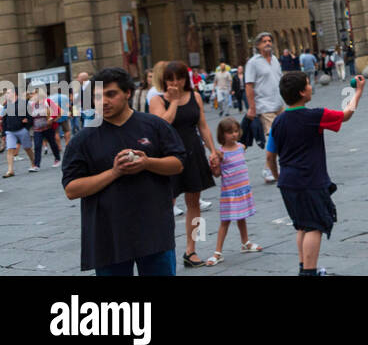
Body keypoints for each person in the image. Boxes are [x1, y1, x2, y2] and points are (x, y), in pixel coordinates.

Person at [61, 67, 185, 275]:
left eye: (111, 94)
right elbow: (72, 189)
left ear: (127, 93)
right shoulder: (82, 140)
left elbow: (178, 164)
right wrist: (114, 172)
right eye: (98, 97)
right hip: (108, 236)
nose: (104, 102)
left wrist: (147, 163)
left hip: (153, 230)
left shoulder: (154, 126)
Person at [268, 71, 365, 275]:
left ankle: (305, 267)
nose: (311, 86)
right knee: (314, 226)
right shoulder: (315, 116)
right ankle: (309, 272)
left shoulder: (278, 121)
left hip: (288, 182)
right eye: (308, 84)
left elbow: (270, 156)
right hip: (309, 180)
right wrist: (358, 93)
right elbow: (346, 115)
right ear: (303, 92)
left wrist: (278, 177)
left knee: (302, 226)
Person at [149, 61, 218, 269]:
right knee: (166, 204)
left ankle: (192, 249)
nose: (175, 82)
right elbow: (162, 125)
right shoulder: (157, 100)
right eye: (170, 79)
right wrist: (174, 102)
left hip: (193, 151)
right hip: (169, 156)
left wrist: (213, 151)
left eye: (179, 78)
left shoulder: (195, 96)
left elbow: (202, 125)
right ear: (164, 80)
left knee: (195, 203)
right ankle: (162, 249)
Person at [204, 117, 261, 266]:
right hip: (230, 193)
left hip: (242, 190)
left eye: (236, 131)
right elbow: (217, 174)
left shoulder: (241, 147)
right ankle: (218, 252)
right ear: (222, 134)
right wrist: (214, 167)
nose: (234, 134)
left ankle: (245, 242)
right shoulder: (220, 153)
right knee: (225, 221)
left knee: (242, 218)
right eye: (230, 132)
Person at [244, 32, 284, 181]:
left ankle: (275, 165)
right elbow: (249, 85)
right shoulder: (253, 63)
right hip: (264, 105)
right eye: (264, 41)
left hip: (279, 103)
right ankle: (269, 169)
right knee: (272, 136)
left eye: (269, 41)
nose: (268, 43)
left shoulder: (274, 59)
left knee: (282, 134)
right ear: (258, 45)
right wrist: (252, 107)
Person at [2, 89, 36, 176]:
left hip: (22, 130)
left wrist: (27, 125)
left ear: (14, 94)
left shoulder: (24, 103)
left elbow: (30, 116)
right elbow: (4, 120)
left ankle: (33, 163)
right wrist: (3, 133)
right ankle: (10, 170)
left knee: (27, 148)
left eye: (8, 93)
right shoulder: (7, 105)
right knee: (10, 150)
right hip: (10, 131)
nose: (6, 95)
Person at [29, 88, 61, 170]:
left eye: (33, 94)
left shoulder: (47, 101)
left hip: (48, 127)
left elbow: (56, 111)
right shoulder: (32, 105)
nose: (31, 95)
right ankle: (36, 165)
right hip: (37, 129)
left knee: (52, 143)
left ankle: (57, 159)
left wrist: (51, 118)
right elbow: (30, 116)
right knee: (37, 146)